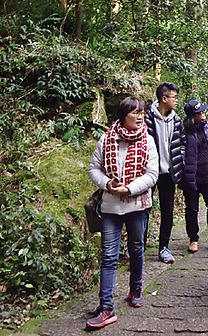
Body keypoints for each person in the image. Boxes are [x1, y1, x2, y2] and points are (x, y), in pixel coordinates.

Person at [87, 97, 159, 329]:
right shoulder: (106, 139)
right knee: (109, 256)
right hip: (110, 207)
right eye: (134, 112)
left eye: (142, 112)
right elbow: (94, 169)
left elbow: (152, 174)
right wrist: (107, 184)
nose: (140, 116)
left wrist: (129, 189)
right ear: (123, 115)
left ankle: (136, 287)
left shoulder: (147, 140)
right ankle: (106, 308)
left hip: (137, 205)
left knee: (136, 248)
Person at [145, 82, 185, 264]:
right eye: (174, 97)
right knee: (144, 210)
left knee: (167, 212)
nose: (176, 101)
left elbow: (182, 143)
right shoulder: (146, 118)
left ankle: (164, 248)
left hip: (169, 173)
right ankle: (139, 249)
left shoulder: (176, 120)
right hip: (149, 173)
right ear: (164, 98)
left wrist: (179, 161)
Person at [181, 99, 208, 253]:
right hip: (192, 177)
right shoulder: (185, 132)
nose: (203, 113)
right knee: (192, 209)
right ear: (193, 116)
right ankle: (193, 239)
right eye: (199, 112)